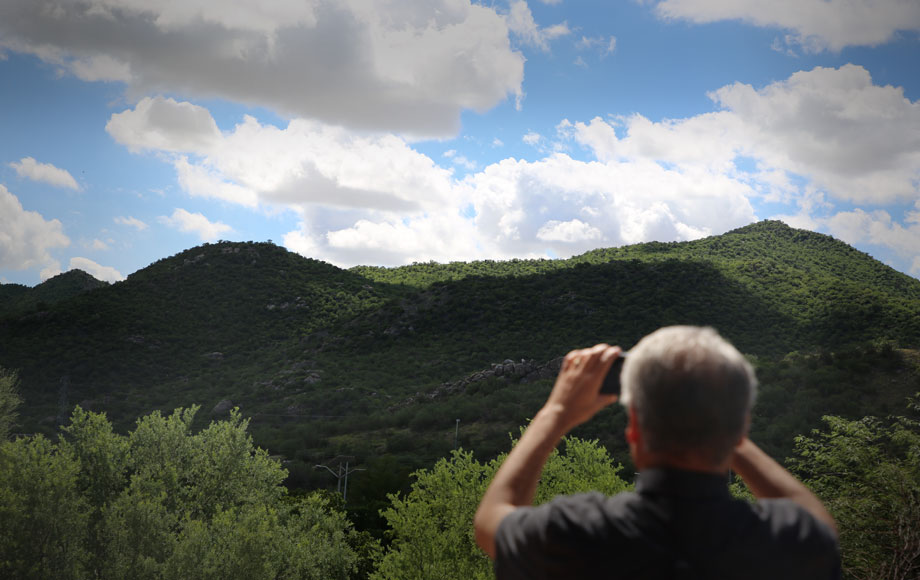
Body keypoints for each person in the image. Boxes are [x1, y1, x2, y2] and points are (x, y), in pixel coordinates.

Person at [474, 326, 840, 579]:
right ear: (741, 428)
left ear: (634, 426)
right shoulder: (787, 543)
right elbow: (818, 520)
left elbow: (491, 520)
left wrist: (555, 413)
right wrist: (720, 420)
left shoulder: (578, 534)